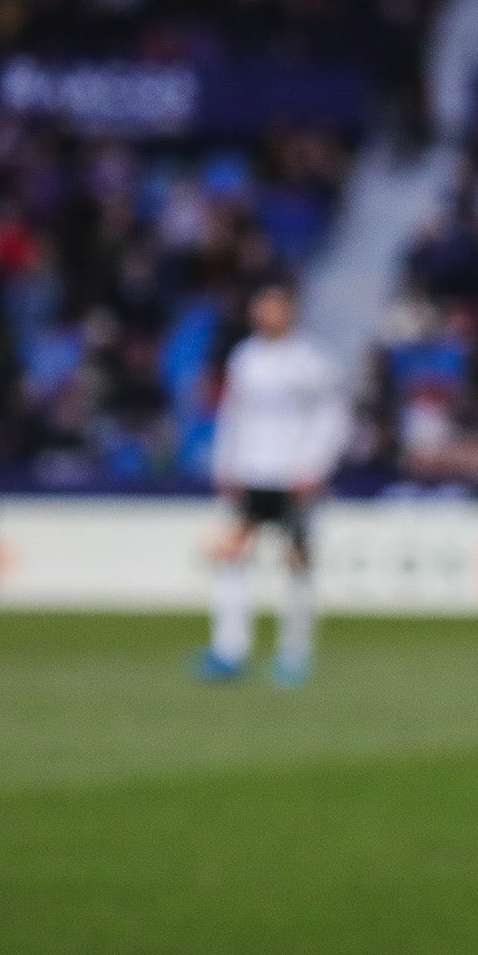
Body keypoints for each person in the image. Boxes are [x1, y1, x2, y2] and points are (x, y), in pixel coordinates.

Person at [192, 283, 350, 687]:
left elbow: (334, 416)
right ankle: (230, 649)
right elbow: (233, 414)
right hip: (251, 471)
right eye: (261, 306)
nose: (266, 314)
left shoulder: (311, 361)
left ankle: (293, 653)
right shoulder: (244, 358)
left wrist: (315, 465)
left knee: (296, 562)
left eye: (274, 307)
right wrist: (224, 463)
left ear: (289, 312)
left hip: (293, 475)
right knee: (232, 556)